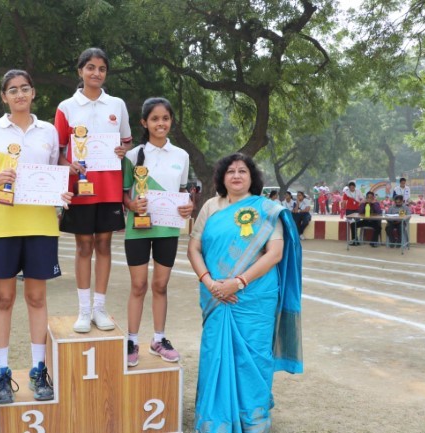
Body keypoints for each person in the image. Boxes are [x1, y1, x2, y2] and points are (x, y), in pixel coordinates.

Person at [0, 69, 73, 404]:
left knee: (36, 298)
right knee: (3, 299)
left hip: (40, 225)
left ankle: (38, 370)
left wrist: (61, 193)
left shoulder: (48, 131)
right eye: (13, 90)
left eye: (25, 88)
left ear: (33, 93)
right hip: (1, 224)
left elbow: (54, 174)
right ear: (4, 97)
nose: (19, 94)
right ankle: (2, 374)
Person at [187, 153, 302, 433]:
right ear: (222, 178)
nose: (236, 176)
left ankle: (252, 418)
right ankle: (216, 420)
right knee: (215, 353)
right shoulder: (211, 207)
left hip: (255, 296)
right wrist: (210, 283)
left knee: (254, 355)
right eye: (230, 171)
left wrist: (238, 282)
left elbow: (275, 253)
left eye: (242, 171)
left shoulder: (267, 210)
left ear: (252, 178)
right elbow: (194, 249)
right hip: (215, 295)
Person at [54, 47, 132, 333]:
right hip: (81, 188)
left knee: (104, 244)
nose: (96, 73)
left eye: (101, 69)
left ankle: (100, 308)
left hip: (110, 188)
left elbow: (126, 142)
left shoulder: (117, 105)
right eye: (90, 67)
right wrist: (69, 165)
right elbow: (58, 152)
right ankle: (84, 310)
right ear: (80, 71)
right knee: (84, 246)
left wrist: (122, 150)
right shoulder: (66, 107)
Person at [122, 97, 193, 367]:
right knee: (138, 286)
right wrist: (131, 204)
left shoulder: (181, 156)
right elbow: (123, 194)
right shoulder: (132, 156)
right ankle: (132, 341)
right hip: (138, 229)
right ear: (144, 122)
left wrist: (188, 205)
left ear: (171, 121)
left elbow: (183, 191)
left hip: (168, 229)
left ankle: (159, 340)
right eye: (154, 119)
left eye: (165, 118)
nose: (160, 123)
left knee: (160, 285)